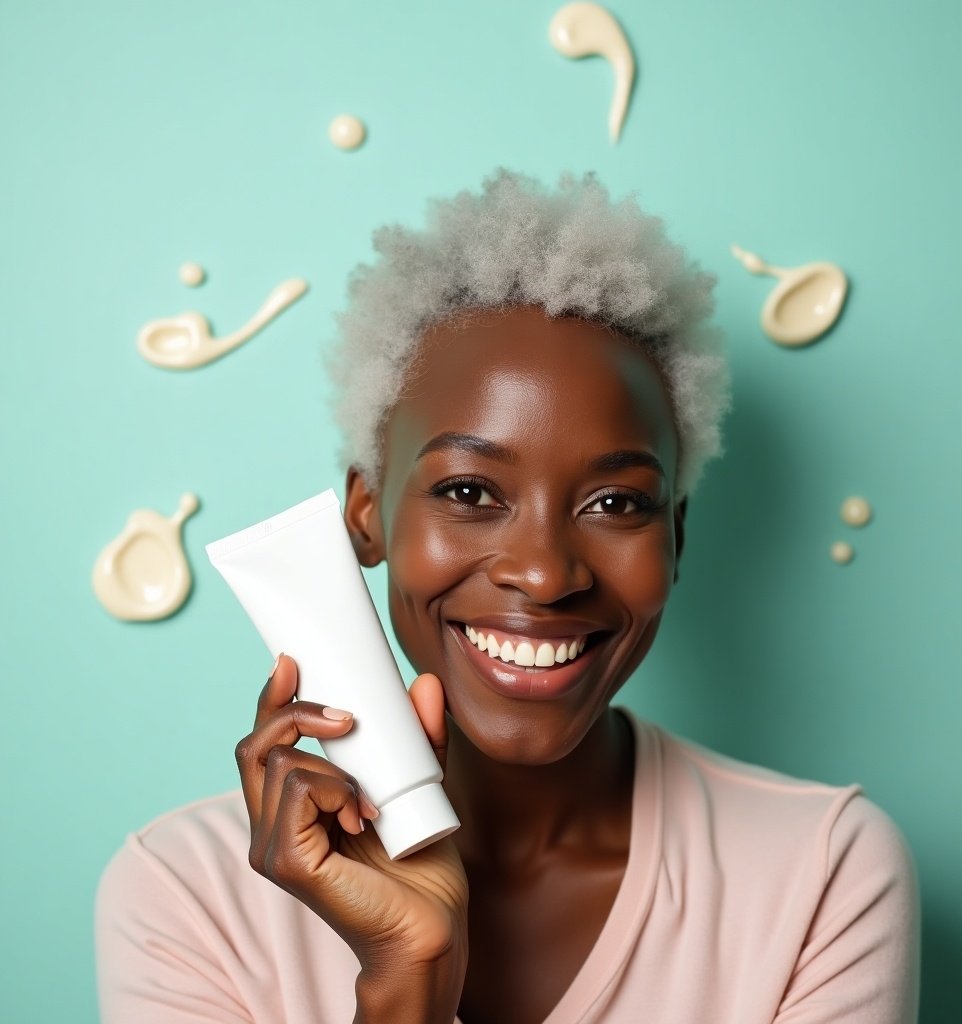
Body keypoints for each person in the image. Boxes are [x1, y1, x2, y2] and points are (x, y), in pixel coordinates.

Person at [95, 170, 920, 1023]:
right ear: (367, 516)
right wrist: (405, 982)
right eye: (467, 492)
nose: (545, 573)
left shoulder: (822, 876)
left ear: (678, 537)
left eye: (617, 504)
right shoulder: (185, 897)